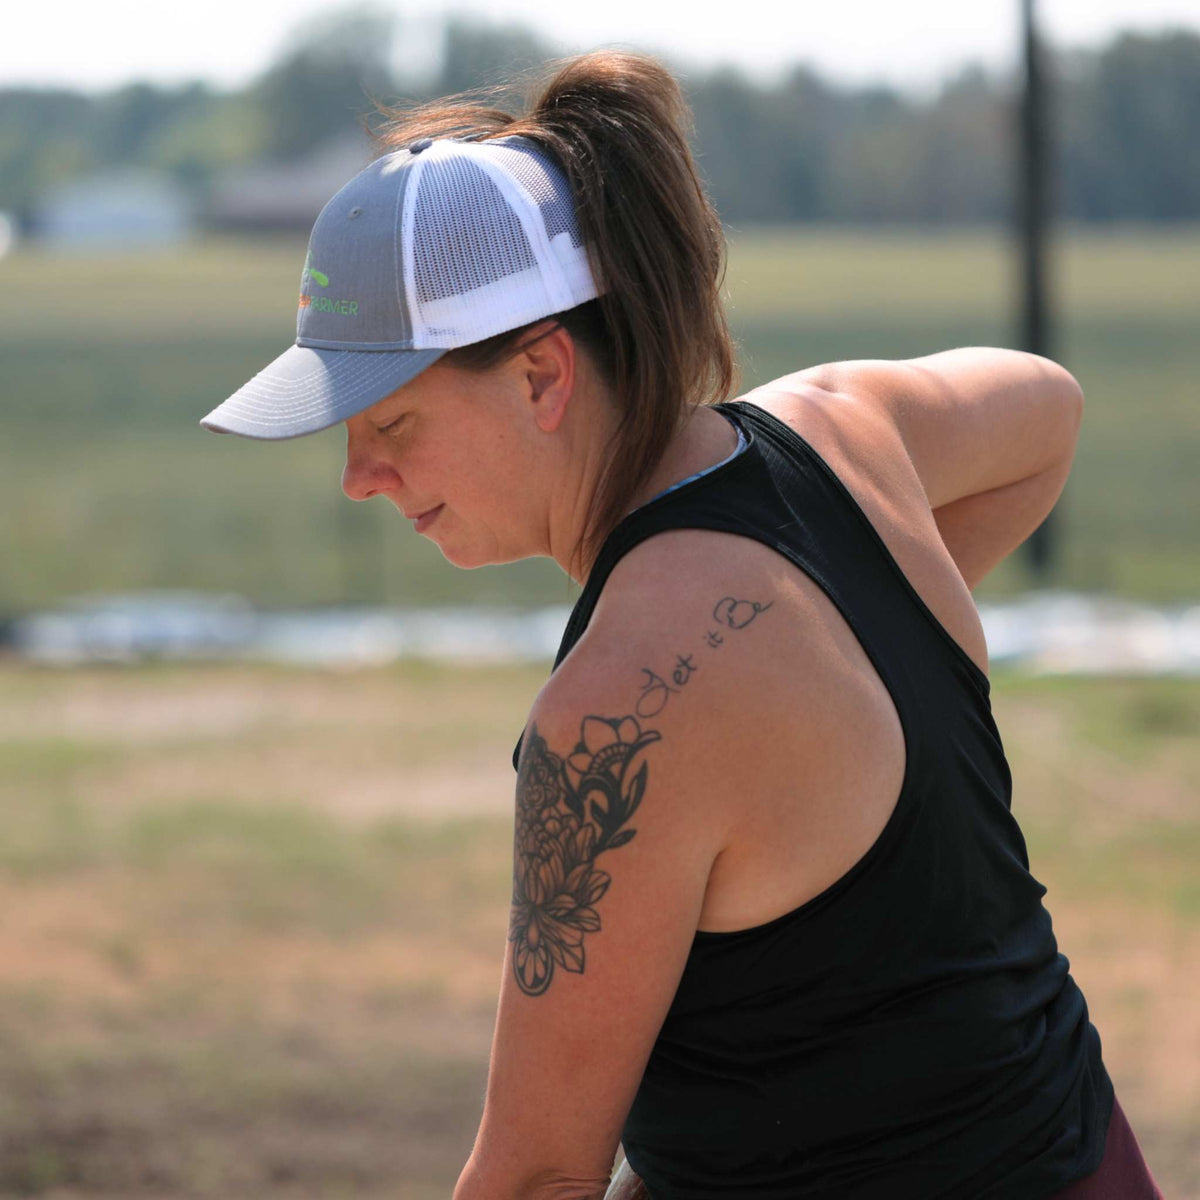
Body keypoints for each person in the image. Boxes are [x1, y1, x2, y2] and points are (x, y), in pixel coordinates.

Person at [199, 49, 1163, 1200]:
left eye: (393, 422)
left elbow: (539, 1174)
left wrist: (805, 694)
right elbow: (1046, 409)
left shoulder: (620, 708)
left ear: (543, 375)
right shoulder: (847, 431)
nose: (357, 475)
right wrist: (856, 648)